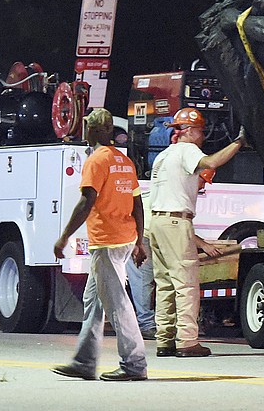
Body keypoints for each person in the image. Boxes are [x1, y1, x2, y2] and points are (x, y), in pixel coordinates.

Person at [51, 108, 149, 381]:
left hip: (107, 242)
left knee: (117, 303)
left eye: (87, 126)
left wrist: (65, 236)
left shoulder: (96, 161)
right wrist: (139, 242)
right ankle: (84, 361)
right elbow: (137, 203)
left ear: (93, 130)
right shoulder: (124, 161)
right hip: (125, 238)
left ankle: (134, 364)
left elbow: (86, 201)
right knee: (93, 301)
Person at [148, 107, 247, 357]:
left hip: (157, 224)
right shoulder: (187, 150)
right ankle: (187, 342)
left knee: (165, 286)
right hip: (175, 223)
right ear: (190, 131)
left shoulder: (164, 156)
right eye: (201, 131)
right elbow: (212, 162)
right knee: (186, 285)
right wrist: (239, 142)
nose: (203, 136)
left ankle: (165, 340)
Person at [125, 220, 156, 340]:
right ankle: (146, 324)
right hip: (141, 236)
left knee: (143, 280)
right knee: (142, 280)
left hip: (141, 235)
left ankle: (146, 323)